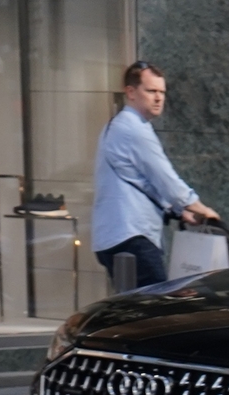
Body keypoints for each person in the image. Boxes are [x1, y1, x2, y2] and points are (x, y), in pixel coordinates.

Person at [93, 62, 217, 290]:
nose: (159, 98)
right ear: (130, 92)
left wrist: (180, 212)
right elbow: (166, 179)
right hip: (131, 237)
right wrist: (201, 208)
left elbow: (144, 182)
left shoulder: (118, 125)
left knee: (136, 312)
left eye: (162, 92)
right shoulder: (133, 129)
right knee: (154, 312)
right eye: (151, 91)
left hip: (118, 235)